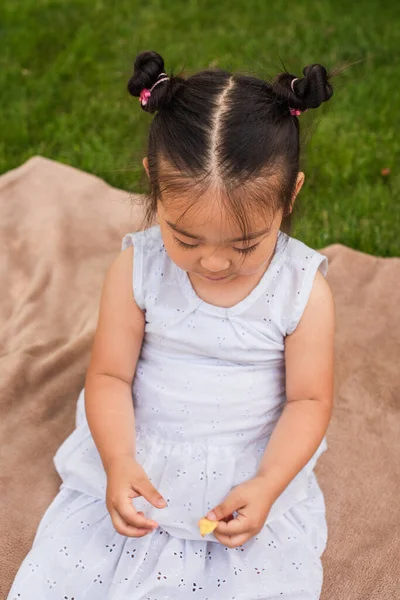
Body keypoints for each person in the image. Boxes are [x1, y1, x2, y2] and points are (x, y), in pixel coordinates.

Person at [7, 50, 335, 599]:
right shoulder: (137, 267)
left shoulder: (303, 287)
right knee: (84, 566)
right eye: (185, 238)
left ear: (291, 196)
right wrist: (117, 460)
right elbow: (109, 376)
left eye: (246, 244)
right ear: (152, 190)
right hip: (144, 448)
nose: (212, 262)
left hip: (249, 458)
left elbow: (309, 402)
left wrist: (268, 484)